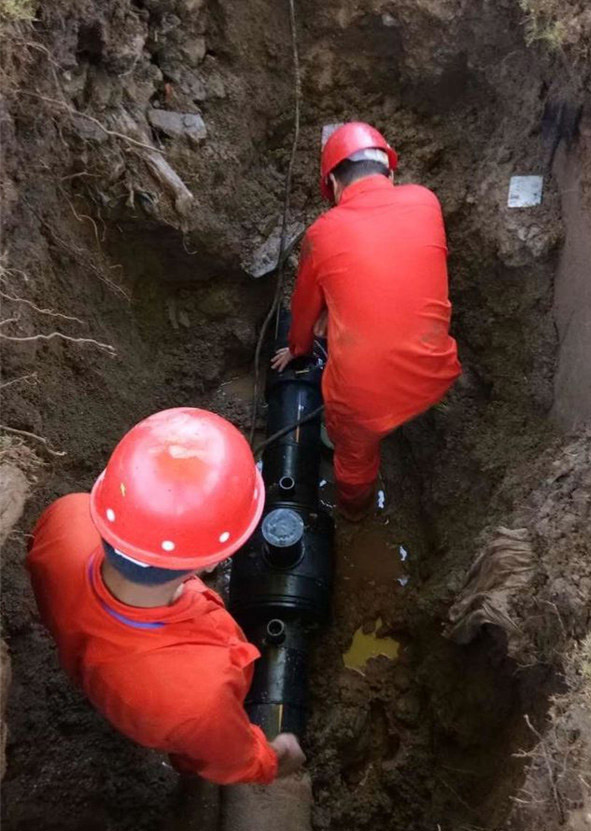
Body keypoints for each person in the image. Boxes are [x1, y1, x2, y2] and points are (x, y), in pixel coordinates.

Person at [27, 407, 305, 784]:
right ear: (214, 561)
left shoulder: (66, 518)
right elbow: (228, 758)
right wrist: (270, 759)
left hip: (104, 680)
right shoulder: (198, 699)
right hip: (167, 714)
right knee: (193, 751)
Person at [272, 122, 462, 519]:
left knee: (353, 454)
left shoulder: (323, 232)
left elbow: (304, 312)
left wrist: (298, 349)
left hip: (364, 404)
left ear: (335, 186)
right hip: (435, 372)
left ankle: (354, 511)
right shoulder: (426, 200)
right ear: (390, 173)